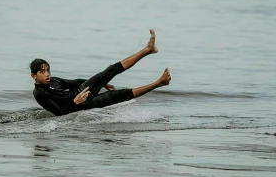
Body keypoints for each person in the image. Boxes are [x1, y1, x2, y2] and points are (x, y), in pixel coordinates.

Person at [30, 29, 171, 116]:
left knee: (111, 70)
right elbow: (59, 113)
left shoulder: (53, 79)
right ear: (34, 75)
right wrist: (76, 101)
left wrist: (104, 83)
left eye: (48, 70)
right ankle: (159, 83)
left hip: (82, 89)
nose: (47, 74)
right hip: (83, 103)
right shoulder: (39, 94)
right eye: (42, 72)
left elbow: (75, 82)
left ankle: (147, 49)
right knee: (119, 94)